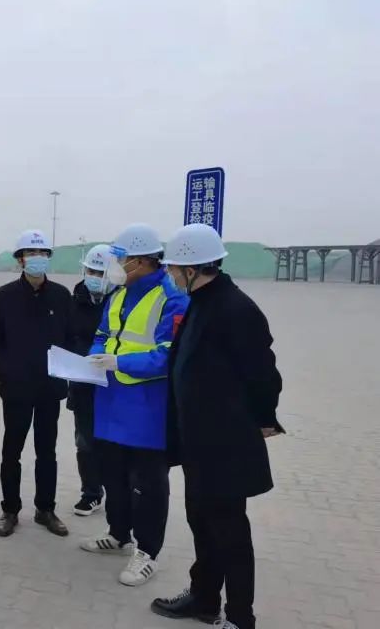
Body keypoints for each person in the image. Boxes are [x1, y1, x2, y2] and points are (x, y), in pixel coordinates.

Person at [151, 224, 283, 629]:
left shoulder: (236, 309)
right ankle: (204, 598)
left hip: (225, 443)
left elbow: (263, 374)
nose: (171, 274)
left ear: (192, 269)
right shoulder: (201, 302)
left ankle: (240, 618)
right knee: (201, 521)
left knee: (230, 533)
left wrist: (264, 418)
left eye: (175, 268)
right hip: (198, 441)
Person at [80, 223, 189, 586]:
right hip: (110, 400)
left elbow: (168, 356)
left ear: (140, 261)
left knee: (148, 483)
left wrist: (119, 362)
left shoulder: (172, 298)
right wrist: (97, 356)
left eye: (119, 259)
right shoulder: (118, 295)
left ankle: (148, 552)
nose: (114, 266)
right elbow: (103, 334)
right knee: (113, 474)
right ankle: (118, 534)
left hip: (147, 407)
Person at [0, 229, 71, 538]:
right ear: (20, 260)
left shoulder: (61, 295)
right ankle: (10, 509)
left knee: (47, 451)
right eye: (32, 254)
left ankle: (45, 509)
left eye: (43, 254)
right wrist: (5, 372)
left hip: (49, 388)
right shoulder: (3, 296)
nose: (38, 259)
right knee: (12, 450)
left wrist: (66, 370)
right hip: (16, 389)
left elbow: (70, 337)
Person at [67, 244, 114, 517]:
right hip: (82, 384)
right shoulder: (74, 299)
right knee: (85, 443)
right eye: (90, 271)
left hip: (114, 385)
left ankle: (117, 493)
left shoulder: (122, 300)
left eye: (100, 272)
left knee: (113, 444)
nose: (93, 276)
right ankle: (91, 493)